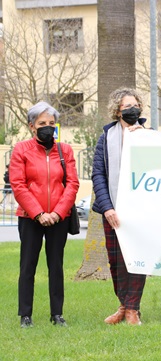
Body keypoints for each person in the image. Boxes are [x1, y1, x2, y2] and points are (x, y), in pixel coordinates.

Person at [9, 101, 79, 327]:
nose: (48, 127)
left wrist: (58, 213)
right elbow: (18, 184)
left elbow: (72, 184)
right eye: (42, 123)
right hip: (30, 218)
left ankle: (57, 314)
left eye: (51, 123)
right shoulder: (21, 149)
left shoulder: (65, 150)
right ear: (32, 126)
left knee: (56, 266)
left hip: (59, 218)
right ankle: (25, 315)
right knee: (27, 265)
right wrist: (39, 213)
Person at [92, 87, 148, 326]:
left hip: (141, 212)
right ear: (117, 110)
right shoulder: (106, 138)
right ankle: (123, 305)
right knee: (116, 261)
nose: (132, 109)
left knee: (136, 260)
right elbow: (98, 174)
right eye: (126, 106)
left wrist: (142, 139)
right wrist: (107, 207)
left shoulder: (149, 136)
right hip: (113, 210)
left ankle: (133, 308)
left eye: (135, 104)